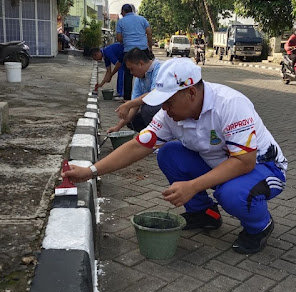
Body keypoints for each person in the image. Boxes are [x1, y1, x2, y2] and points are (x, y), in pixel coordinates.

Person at [63, 57, 287, 255]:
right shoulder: (169, 114)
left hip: (263, 168)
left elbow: (244, 162)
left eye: (168, 102)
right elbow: (138, 146)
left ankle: (260, 226)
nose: (165, 108)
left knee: (231, 193)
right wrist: (91, 171)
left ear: (191, 92)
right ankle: (205, 214)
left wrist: (193, 186)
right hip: (221, 163)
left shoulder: (230, 105)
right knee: (169, 154)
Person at [107, 47, 162, 133]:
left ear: (140, 63)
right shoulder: (139, 79)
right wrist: (117, 127)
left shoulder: (159, 69)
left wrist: (128, 104)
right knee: (132, 120)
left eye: (131, 69)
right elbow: (134, 107)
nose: (131, 73)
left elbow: (154, 94)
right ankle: (148, 136)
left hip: (171, 108)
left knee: (147, 108)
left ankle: (158, 136)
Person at [116, 3, 153, 101]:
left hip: (129, 50)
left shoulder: (121, 22)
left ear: (123, 12)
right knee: (147, 72)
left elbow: (119, 38)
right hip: (143, 49)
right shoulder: (142, 19)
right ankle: (148, 96)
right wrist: (150, 47)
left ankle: (127, 99)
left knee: (128, 74)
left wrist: (127, 39)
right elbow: (149, 33)